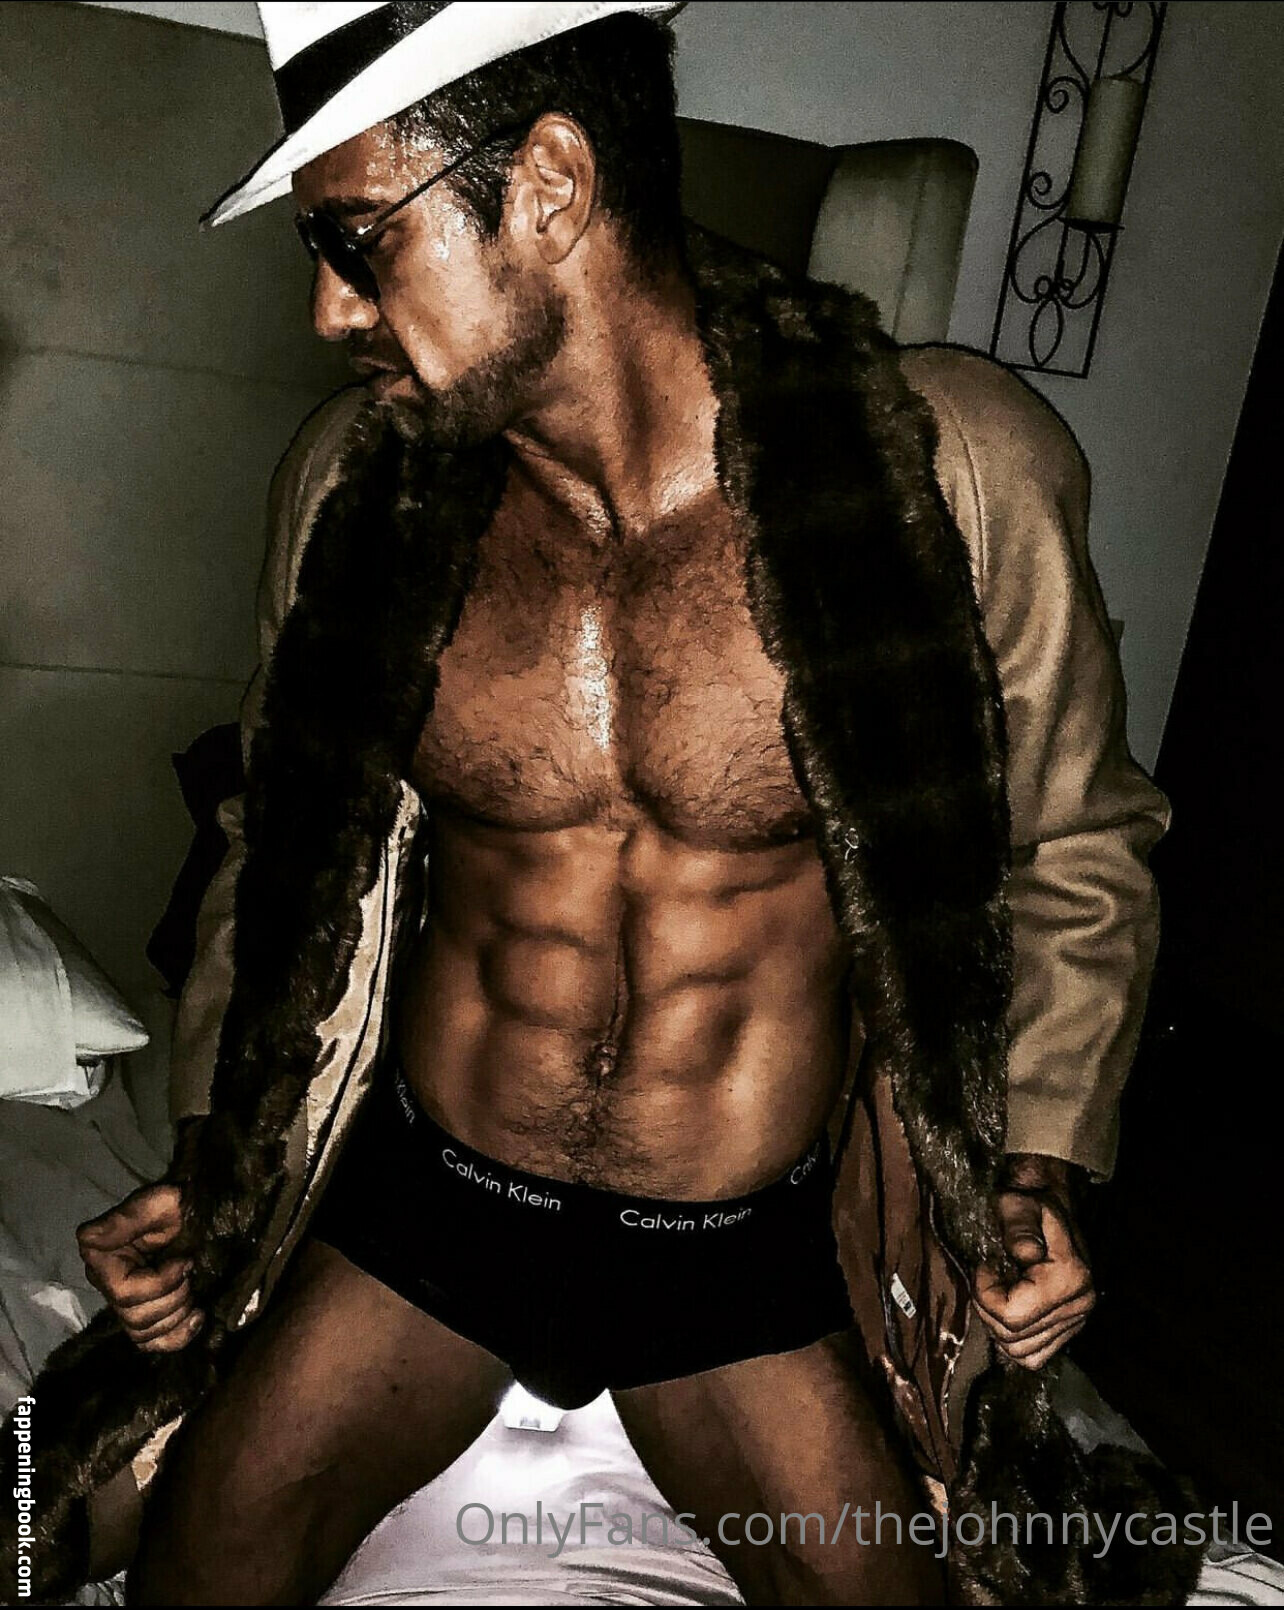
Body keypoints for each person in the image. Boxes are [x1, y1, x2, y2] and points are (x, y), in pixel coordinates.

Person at [5, 4, 1196, 1605]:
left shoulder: (945, 471)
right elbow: (274, 856)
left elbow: (1077, 844)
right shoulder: (353, 489)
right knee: (187, 1565)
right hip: (434, 1204)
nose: (325, 309)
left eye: (357, 241)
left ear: (551, 186)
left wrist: (1037, 1165)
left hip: (740, 1252)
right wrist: (217, 1154)